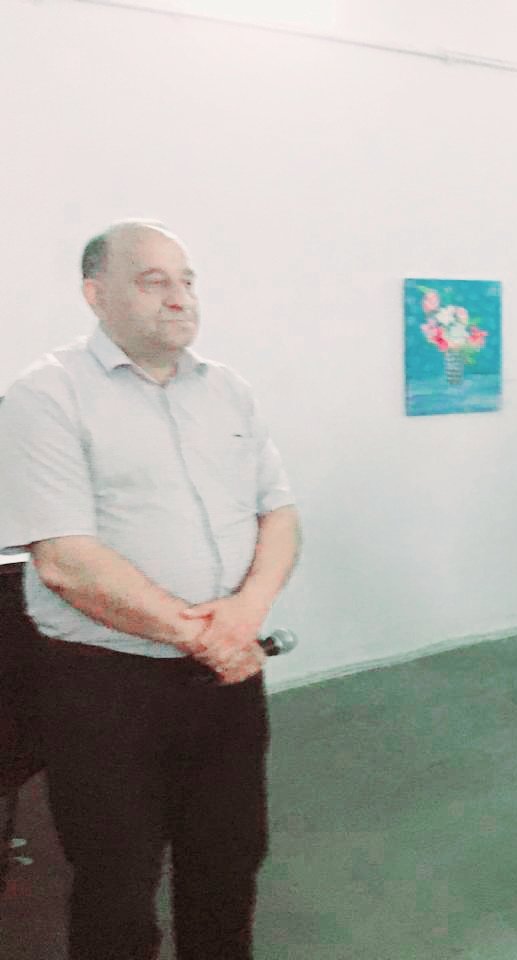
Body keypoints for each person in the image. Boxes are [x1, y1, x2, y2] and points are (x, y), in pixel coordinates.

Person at [0, 220, 300, 959]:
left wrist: (246, 613)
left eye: (187, 280)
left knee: (228, 863)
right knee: (116, 879)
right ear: (95, 294)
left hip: (227, 683)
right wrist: (212, 637)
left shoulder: (227, 391)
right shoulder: (45, 395)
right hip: (105, 689)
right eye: (153, 281)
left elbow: (279, 514)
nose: (180, 298)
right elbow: (66, 560)